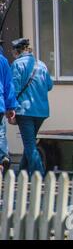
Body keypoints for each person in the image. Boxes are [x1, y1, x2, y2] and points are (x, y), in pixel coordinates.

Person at [10, 38, 53, 176]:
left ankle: (39, 176)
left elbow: (14, 90)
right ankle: (21, 173)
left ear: (17, 51)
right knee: (30, 143)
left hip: (25, 111)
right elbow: (49, 86)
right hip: (41, 111)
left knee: (29, 145)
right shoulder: (41, 65)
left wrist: (10, 109)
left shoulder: (17, 64)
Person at [0, 39, 17, 174]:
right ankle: (2, 156)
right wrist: (10, 107)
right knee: (0, 132)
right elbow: (8, 86)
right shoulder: (3, 61)